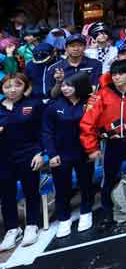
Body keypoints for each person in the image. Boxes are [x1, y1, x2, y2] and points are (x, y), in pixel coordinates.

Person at [80, 58, 126, 229]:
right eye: (114, 73)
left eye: (121, 73)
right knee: (108, 180)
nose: (116, 77)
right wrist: (91, 148)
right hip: (112, 144)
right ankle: (108, 213)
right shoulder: (101, 95)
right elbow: (87, 122)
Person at [43, 72, 94, 238]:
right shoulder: (53, 105)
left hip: (84, 151)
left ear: (79, 85)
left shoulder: (89, 103)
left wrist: (93, 149)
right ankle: (64, 218)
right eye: (63, 85)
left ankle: (86, 211)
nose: (65, 88)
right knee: (62, 187)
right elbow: (47, 132)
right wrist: (51, 154)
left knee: (86, 183)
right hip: (61, 154)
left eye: (69, 85)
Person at [0, 73, 44, 250]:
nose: (12, 90)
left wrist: (41, 153)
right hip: (3, 158)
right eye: (7, 87)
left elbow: (43, 131)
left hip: (28, 154)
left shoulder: (34, 104)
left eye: (17, 85)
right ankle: (12, 229)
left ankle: (32, 225)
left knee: (30, 191)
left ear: (25, 86)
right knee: (6, 195)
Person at [44, 33, 102, 99]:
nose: (76, 49)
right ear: (65, 48)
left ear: (85, 47)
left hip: (87, 101)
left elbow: (95, 89)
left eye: (80, 45)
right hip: (62, 102)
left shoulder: (95, 64)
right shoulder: (55, 68)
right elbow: (53, 96)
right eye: (72, 46)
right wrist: (59, 82)